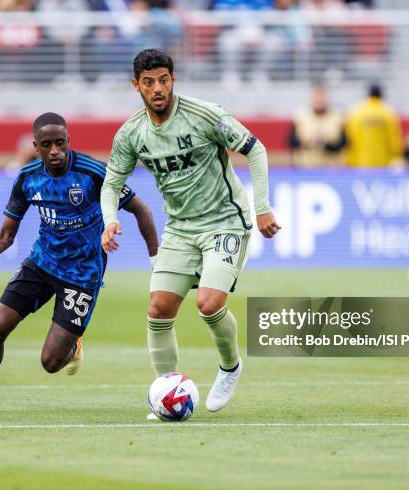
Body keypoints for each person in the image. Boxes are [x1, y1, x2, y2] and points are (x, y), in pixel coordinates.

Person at [100, 49, 281, 416]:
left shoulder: (205, 115)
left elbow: (256, 150)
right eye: (148, 82)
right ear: (136, 86)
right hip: (180, 230)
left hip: (224, 222)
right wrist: (109, 219)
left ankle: (230, 367)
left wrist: (262, 207)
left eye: (163, 79)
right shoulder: (132, 133)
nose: (157, 88)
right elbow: (111, 183)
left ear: (173, 79)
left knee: (209, 304)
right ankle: (168, 392)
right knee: (159, 308)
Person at [0, 112, 159, 413]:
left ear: (68, 141)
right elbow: (6, 235)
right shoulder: (27, 178)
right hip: (42, 262)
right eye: (47, 145)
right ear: (36, 146)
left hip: (82, 274)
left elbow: (142, 210)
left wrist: (156, 258)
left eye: (60, 143)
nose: (55, 151)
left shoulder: (93, 173)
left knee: (50, 363)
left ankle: (73, 344)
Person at [345, 84, 403, 167]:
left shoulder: (356, 113)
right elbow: (395, 143)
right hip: (383, 164)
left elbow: (350, 138)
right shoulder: (388, 113)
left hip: (360, 163)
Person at [290, 84, 346, 167]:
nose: (319, 99)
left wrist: (325, 144)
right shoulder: (301, 116)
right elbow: (291, 142)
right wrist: (307, 143)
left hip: (332, 168)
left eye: (322, 95)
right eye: (316, 96)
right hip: (306, 167)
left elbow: (344, 143)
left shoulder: (337, 116)